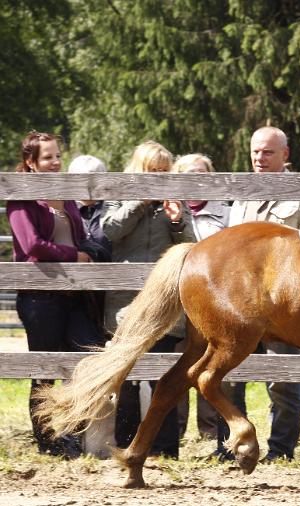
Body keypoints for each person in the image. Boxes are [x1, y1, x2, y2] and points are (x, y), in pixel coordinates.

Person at [7, 131, 105, 459]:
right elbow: (32, 245)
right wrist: (74, 255)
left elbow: (80, 235)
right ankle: (48, 441)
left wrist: (89, 249)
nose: (55, 162)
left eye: (58, 156)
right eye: (47, 157)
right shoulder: (21, 198)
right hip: (40, 296)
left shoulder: (67, 193)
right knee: (45, 368)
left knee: (86, 358)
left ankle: (74, 434)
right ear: (30, 162)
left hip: (74, 294)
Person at [101, 141, 195, 459]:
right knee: (126, 377)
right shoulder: (120, 195)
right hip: (125, 304)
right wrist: (139, 202)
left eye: (163, 171)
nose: (158, 176)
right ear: (138, 170)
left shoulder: (175, 201)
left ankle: (165, 449)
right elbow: (109, 231)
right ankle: (127, 445)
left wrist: (177, 222)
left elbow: (192, 247)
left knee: (163, 378)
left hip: (164, 304)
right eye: (152, 170)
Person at [227, 126, 300, 462]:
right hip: (241, 302)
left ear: (285, 155)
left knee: (283, 380)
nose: (259, 158)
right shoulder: (243, 193)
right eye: (256, 152)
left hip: (283, 304)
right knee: (230, 375)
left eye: (268, 152)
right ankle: (235, 444)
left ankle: (281, 449)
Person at [172, 153, 228, 441]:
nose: (195, 179)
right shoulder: (171, 212)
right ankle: (178, 428)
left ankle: (210, 431)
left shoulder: (225, 212)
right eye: (188, 174)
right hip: (179, 298)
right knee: (180, 359)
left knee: (212, 359)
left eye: (201, 173)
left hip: (215, 298)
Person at [67, 154, 114, 458]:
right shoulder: (66, 210)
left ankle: (101, 440)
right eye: (80, 180)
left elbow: (108, 243)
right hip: (73, 299)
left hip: (105, 298)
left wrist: (86, 251)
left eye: (92, 180)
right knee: (72, 365)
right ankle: (72, 434)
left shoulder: (110, 210)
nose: (86, 186)